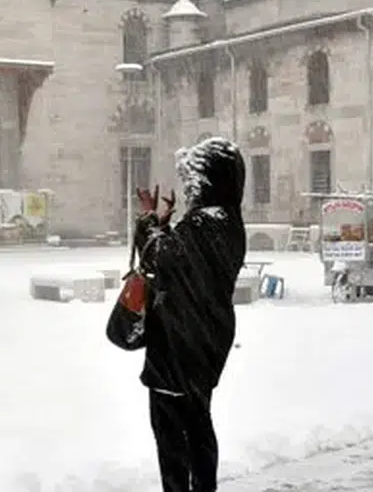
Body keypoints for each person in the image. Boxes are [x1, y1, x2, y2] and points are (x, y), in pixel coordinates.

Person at [132, 137, 247, 492]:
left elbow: (158, 258)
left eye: (193, 179)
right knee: (197, 423)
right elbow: (181, 263)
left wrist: (150, 221)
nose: (188, 187)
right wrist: (165, 227)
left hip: (180, 342)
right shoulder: (228, 221)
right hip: (206, 337)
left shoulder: (202, 224)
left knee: (172, 434)